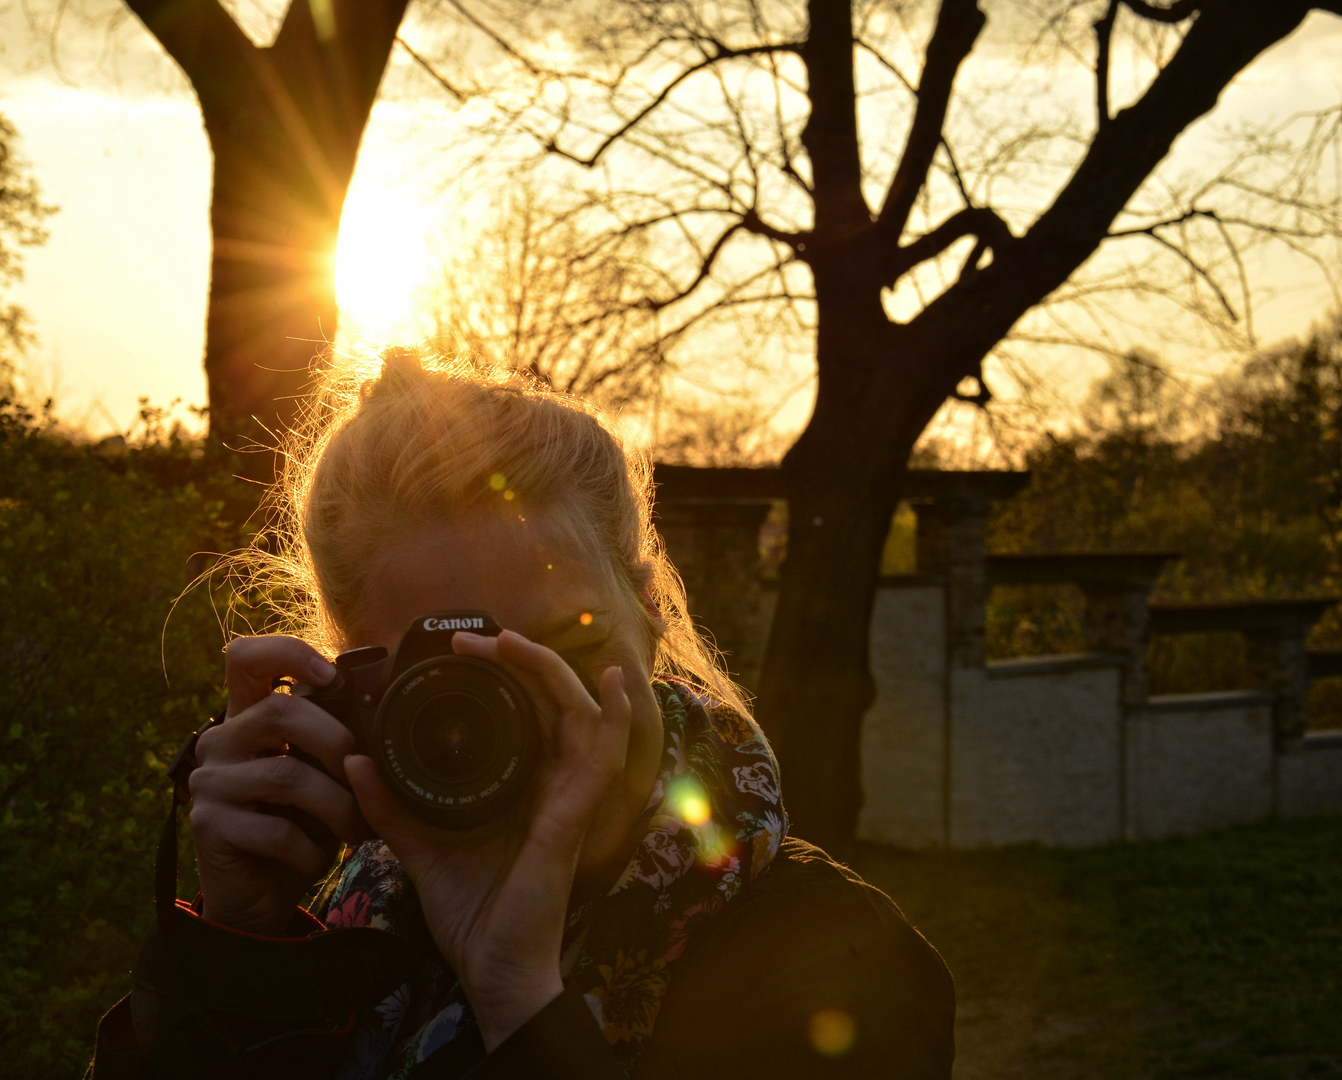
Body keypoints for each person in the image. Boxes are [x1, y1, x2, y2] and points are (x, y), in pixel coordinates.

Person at [89, 352, 954, 1079]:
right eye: (453, 685)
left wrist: (515, 994)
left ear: (649, 613)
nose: (539, 721)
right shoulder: (334, 926)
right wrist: (235, 948)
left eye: (568, 648)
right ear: (346, 684)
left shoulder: (838, 960)